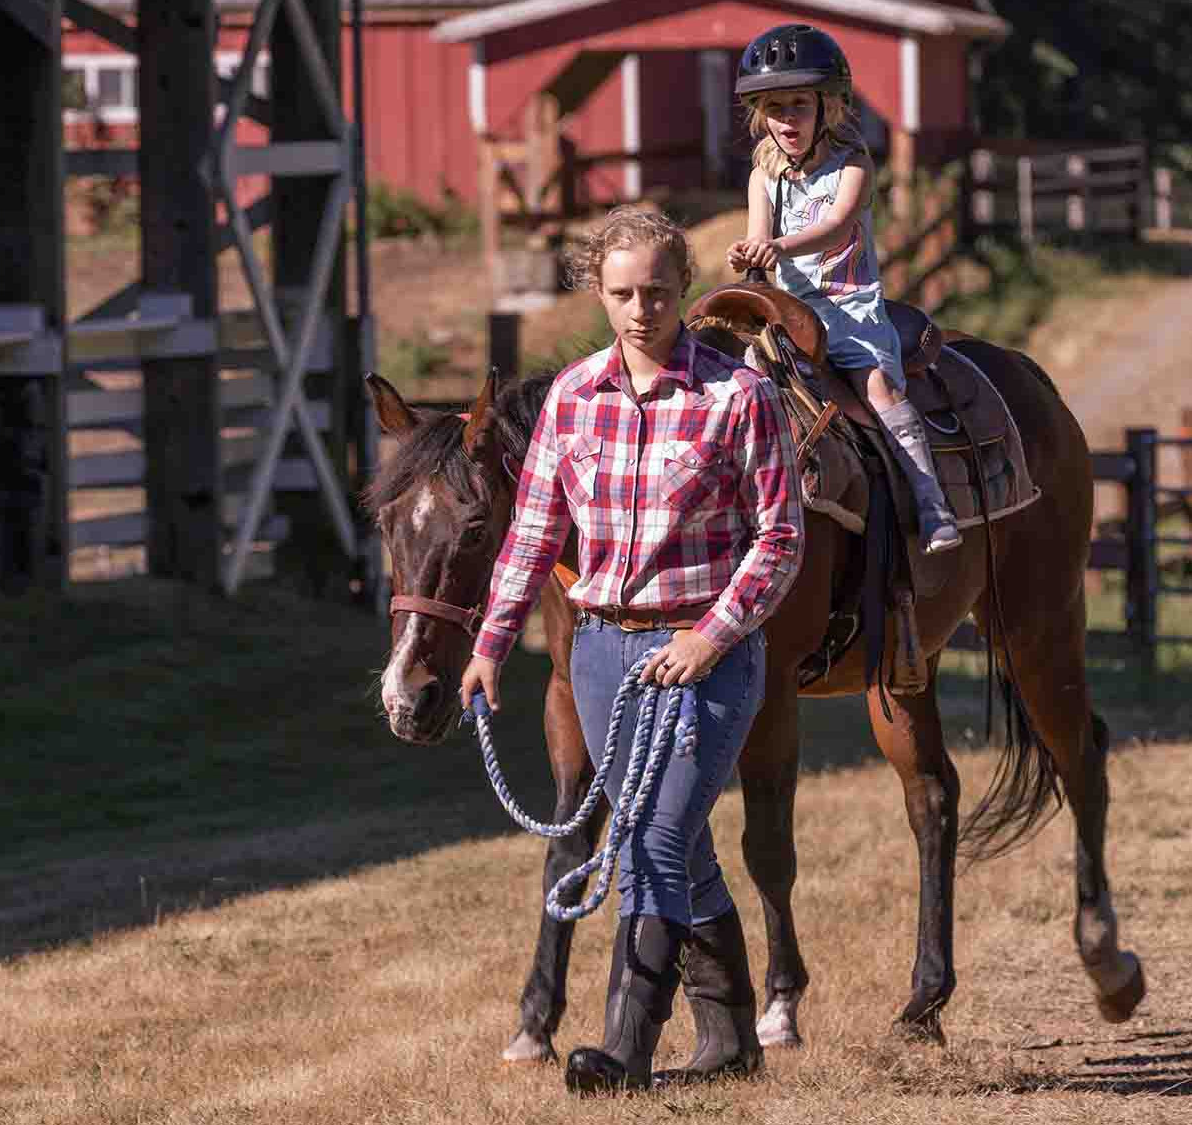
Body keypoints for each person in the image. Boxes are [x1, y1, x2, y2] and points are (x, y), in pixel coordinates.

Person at [459, 207, 803, 1094]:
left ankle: (624, 1048)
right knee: (681, 847)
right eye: (621, 293)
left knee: (652, 837)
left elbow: (778, 540)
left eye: (656, 290)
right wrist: (491, 645)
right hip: (603, 652)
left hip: (707, 658)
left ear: (683, 288)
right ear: (597, 293)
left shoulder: (740, 397)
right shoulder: (572, 398)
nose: (640, 308)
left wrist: (711, 635)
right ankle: (731, 1041)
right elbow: (533, 534)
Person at [726, 23, 962, 554]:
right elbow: (759, 234)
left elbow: (836, 227)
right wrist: (750, 251)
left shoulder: (852, 163)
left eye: (800, 105)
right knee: (738, 386)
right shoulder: (761, 174)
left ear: (827, 108)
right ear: (760, 112)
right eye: (776, 107)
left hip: (848, 306)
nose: (788, 119)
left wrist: (780, 248)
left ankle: (930, 499)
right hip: (787, 312)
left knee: (878, 388)